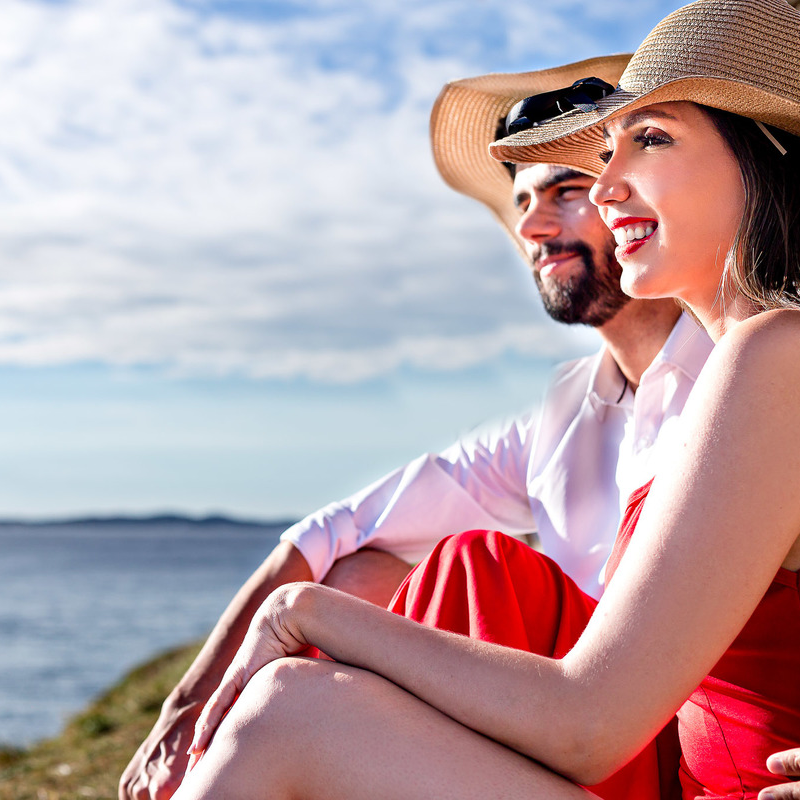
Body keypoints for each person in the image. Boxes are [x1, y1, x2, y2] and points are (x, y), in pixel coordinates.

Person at [173, 1, 800, 798]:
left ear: (769, 157)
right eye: (606, 151)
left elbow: (586, 725)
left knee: (290, 710)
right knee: (437, 587)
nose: (608, 184)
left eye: (649, 139)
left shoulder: (787, 353)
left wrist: (304, 614)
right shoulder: (769, 360)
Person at [120, 55, 709, 800]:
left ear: (637, 204)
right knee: (362, 575)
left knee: (475, 566)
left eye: (565, 192)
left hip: (650, 743)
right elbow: (333, 530)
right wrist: (184, 707)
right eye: (522, 201)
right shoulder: (568, 409)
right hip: (563, 734)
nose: (529, 226)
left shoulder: (744, 374)